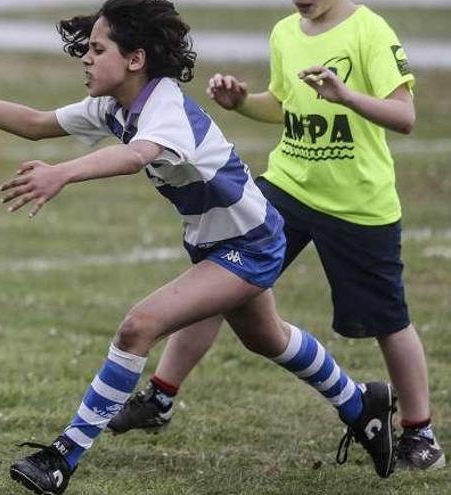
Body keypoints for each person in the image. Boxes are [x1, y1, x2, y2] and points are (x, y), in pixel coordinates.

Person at [0, 0, 401, 492]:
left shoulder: (165, 106)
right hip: (217, 241)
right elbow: (35, 122)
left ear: (135, 59)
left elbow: (135, 156)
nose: (85, 58)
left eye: (97, 48)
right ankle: (361, 402)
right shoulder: (115, 105)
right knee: (267, 338)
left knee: (138, 327)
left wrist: (62, 173)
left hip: (249, 242)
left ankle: (62, 457)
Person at [107, 0, 444, 472]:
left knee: (388, 319)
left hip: (359, 203)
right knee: (217, 282)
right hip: (285, 188)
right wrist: (243, 102)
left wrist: (345, 96)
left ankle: (419, 430)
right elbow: (284, 105)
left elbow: (403, 116)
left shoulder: (370, 30)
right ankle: (159, 397)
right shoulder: (285, 31)